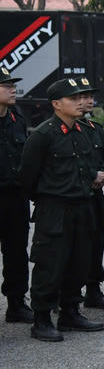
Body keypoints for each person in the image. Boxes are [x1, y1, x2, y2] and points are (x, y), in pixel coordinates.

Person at [19, 77, 104, 341]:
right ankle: (42, 319)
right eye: (74, 98)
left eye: (82, 97)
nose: (81, 102)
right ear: (57, 104)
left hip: (83, 205)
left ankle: (70, 312)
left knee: (79, 261)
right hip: (54, 209)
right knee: (50, 264)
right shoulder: (44, 135)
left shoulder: (84, 131)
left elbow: (90, 166)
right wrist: (50, 197)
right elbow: (27, 179)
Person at [77, 83, 104, 312]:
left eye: (90, 96)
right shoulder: (57, 130)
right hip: (75, 195)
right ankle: (66, 294)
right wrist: (91, 176)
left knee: (97, 241)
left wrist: (102, 174)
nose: (89, 101)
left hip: (96, 195)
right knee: (74, 246)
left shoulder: (96, 128)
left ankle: (93, 289)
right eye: (83, 96)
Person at [0, 66, 33, 323]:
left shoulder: (17, 118)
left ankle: (16, 303)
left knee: (16, 252)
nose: (13, 89)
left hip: (14, 197)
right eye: (7, 85)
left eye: (13, 85)